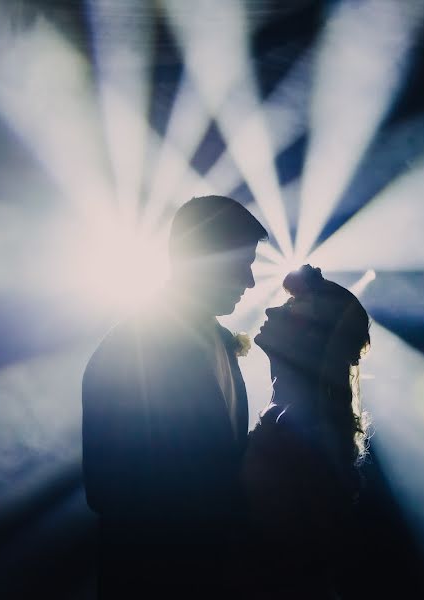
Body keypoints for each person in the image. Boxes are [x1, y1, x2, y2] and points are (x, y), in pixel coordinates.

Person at [81, 195, 268, 598]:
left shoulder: (221, 343)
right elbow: (103, 486)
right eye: (243, 264)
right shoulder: (130, 348)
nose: (251, 281)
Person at [241, 264, 372, 598]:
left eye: (289, 308)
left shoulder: (302, 428)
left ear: (315, 337)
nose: (270, 309)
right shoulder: (297, 418)